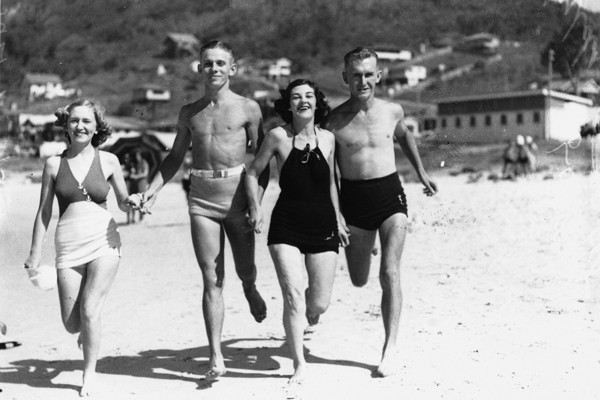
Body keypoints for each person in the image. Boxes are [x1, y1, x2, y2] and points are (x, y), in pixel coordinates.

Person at [138, 40, 268, 380]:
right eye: (208, 63)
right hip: (201, 199)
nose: (214, 69)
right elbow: (175, 156)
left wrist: (257, 202)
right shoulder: (189, 112)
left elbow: (262, 160)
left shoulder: (249, 109)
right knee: (212, 279)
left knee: (245, 268)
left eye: (221, 63)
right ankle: (216, 356)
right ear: (200, 67)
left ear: (232, 69)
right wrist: (152, 191)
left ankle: (250, 287)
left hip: (238, 198)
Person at [323, 47, 438, 377]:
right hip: (354, 203)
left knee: (389, 271)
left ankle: (390, 347)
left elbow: (405, 137)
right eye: (355, 75)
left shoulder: (392, 110)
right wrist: (337, 215)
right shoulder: (334, 121)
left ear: (378, 76)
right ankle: (367, 243)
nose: (362, 81)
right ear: (346, 78)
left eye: (368, 74)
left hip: (390, 197)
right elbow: (330, 173)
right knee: (359, 280)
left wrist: (422, 174)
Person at [23, 99, 138, 396]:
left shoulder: (109, 160)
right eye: (74, 120)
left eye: (87, 121)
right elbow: (43, 212)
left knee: (90, 309)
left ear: (97, 126)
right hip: (69, 244)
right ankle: (87, 334)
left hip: (104, 241)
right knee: (72, 323)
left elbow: (123, 200)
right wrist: (35, 253)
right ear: (66, 125)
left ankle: (89, 375)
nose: (80, 126)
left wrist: (132, 201)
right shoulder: (53, 164)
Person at [245, 79, 350, 386]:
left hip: (322, 225)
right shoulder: (278, 136)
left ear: (317, 103)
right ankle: (299, 364)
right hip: (286, 225)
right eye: (296, 97)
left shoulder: (329, 139)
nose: (303, 101)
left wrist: (338, 216)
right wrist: (256, 206)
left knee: (317, 304)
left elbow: (331, 181)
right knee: (293, 298)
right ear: (288, 105)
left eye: (308, 96)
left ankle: (308, 309)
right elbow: (254, 173)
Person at [128, 150, 150, 222]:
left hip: (142, 183)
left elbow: (145, 174)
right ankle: (133, 218)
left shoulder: (144, 163)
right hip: (136, 184)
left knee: (141, 200)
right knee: (134, 200)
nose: (136, 156)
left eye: (138, 155)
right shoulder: (136, 163)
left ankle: (141, 217)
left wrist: (136, 176)